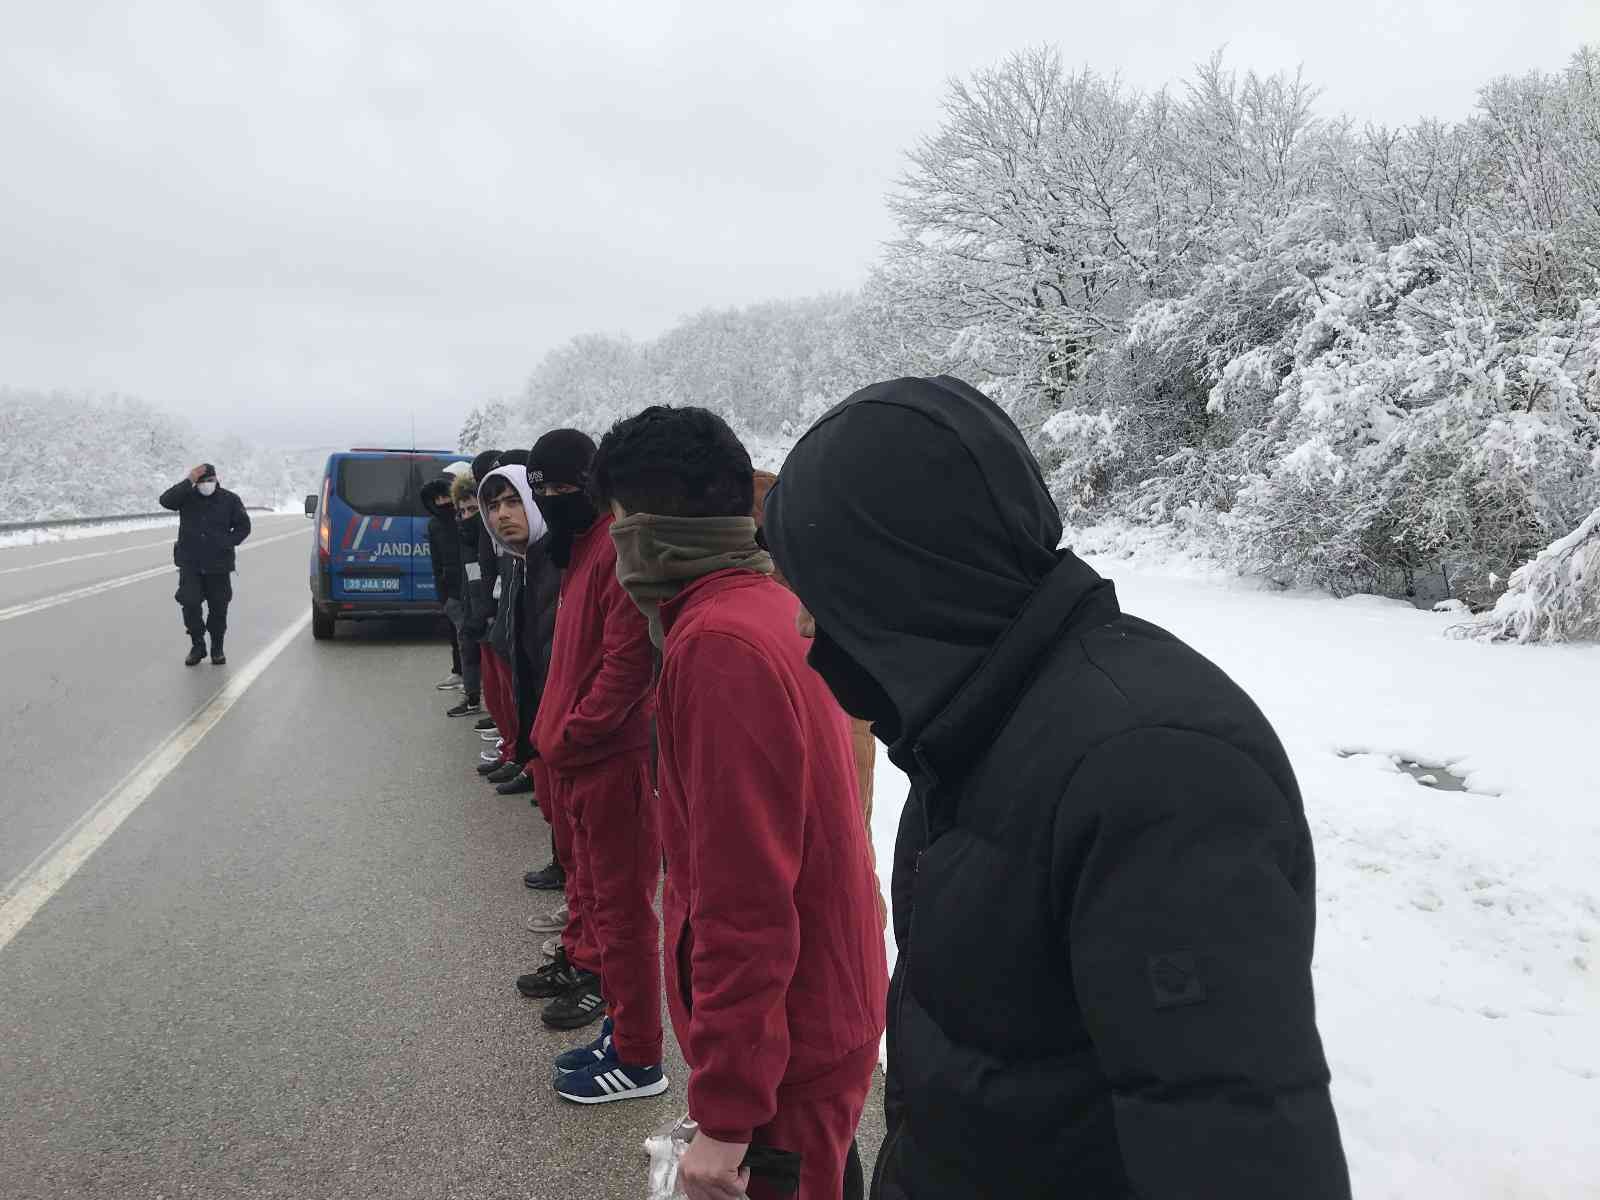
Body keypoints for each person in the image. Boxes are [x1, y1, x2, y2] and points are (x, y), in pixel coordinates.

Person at [764, 375, 1352, 1200]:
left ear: (899, 573)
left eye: (817, 592)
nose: (802, 625)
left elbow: (1237, 1145)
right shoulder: (973, 725)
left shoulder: (1154, 769)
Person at [589, 407, 887, 1200]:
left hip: (787, 1053)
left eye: (614, 525)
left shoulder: (718, 647)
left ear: (640, 530)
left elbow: (744, 901)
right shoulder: (767, 606)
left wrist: (727, 1113)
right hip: (815, 1018)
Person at [513, 428, 664, 1103]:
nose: (552, 496)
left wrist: (574, 734)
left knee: (624, 916)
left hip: (611, 763)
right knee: (601, 907)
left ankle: (640, 1060)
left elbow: (627, 665)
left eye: (562, 482)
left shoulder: (614, 550)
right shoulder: (577, 551)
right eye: (541, 486)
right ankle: (622, 1030)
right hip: (579, 763)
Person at [158, 462, 252, 666]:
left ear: (216, 479)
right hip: (190, 564)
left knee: (218, 608)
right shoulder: (187, 497)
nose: (206, 484)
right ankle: (197, 645)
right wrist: (189, 480)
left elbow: (244, 527)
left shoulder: (230, 500)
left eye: (209, 480)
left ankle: (217, 648)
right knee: (189, 603)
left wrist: (227, 542)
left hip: (219, 565)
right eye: (201, 481)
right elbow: (165, 501)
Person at [421, 476, 469, 701]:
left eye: (444, 496)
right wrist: (442, 593)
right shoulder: (433, 524)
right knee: (455, 633)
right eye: (437, 498)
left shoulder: (462, 517)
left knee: (467, 634)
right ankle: (460, 673)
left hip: (468, 584)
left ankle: (471, 679)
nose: (441, 501)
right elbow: (436, 561)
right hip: (450, 588)